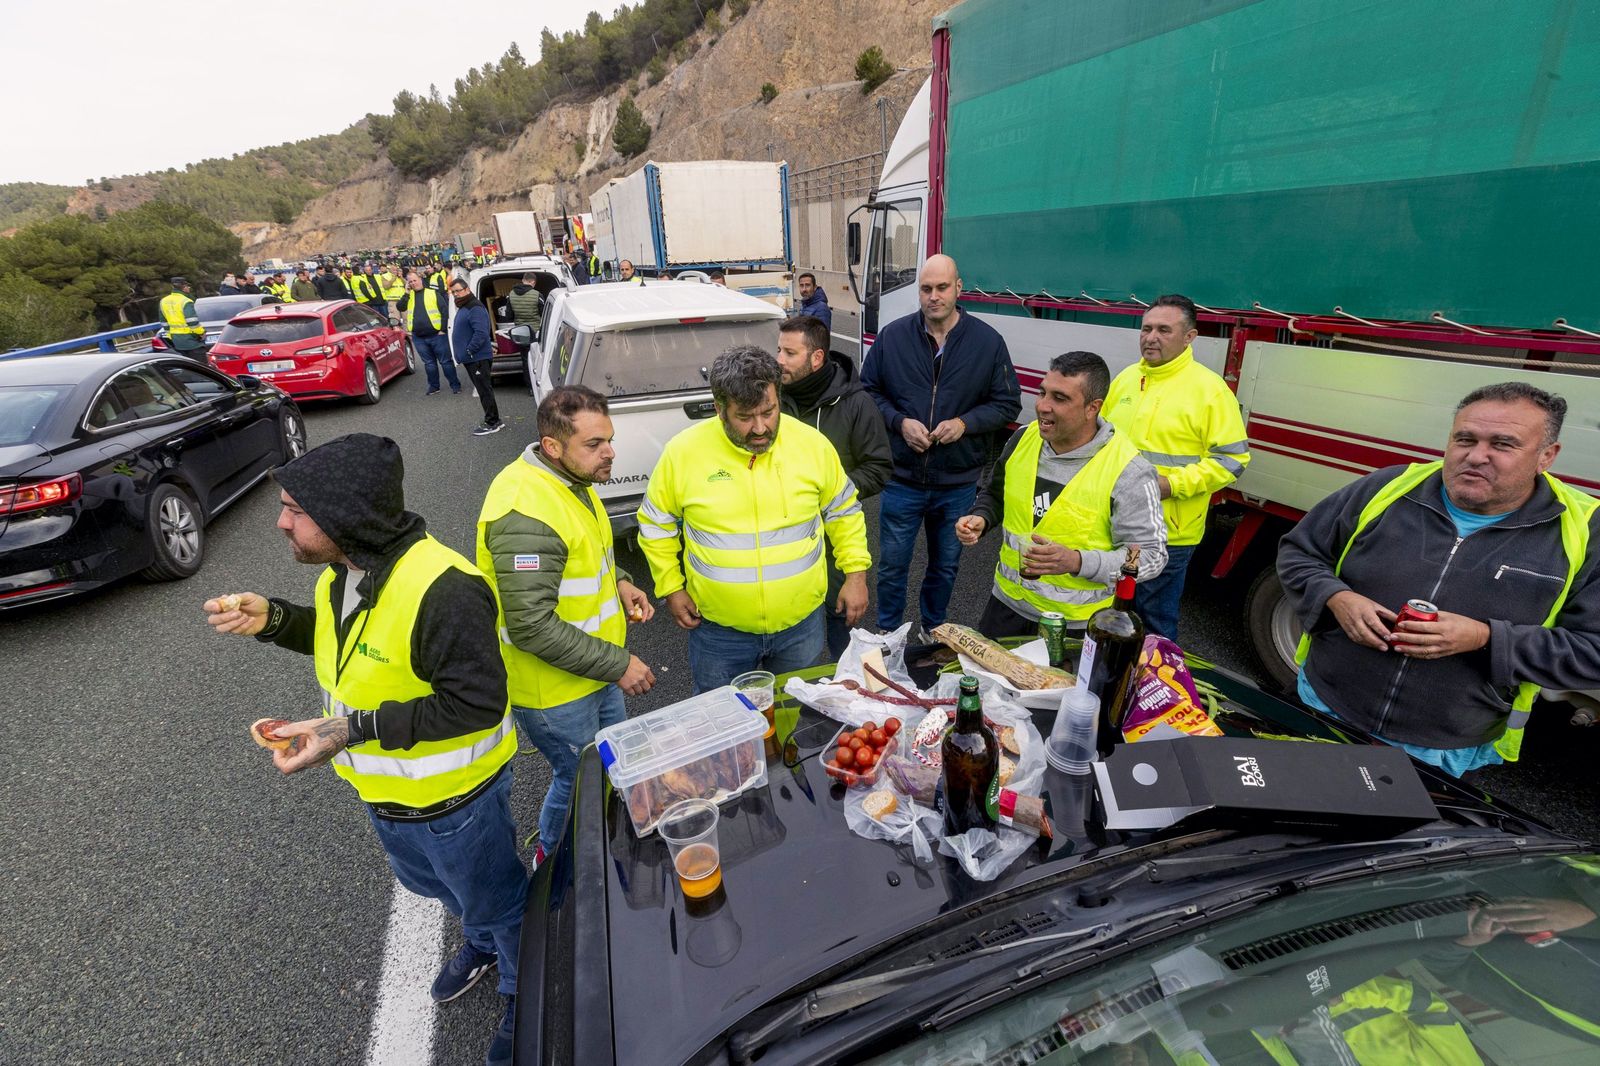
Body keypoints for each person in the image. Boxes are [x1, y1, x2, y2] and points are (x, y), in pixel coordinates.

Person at [200, 433, 525, 1066]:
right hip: (386, 794)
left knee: (499, 898)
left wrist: (347, 731)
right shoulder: (341, 573)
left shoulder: (447, 589)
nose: (281, 522)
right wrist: (273, 620)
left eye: (296, 510)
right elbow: (350, 644)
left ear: (346, 516)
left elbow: (477, 703)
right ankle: (482, 941)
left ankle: (519, 982)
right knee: (448, 893)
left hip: (457, 801)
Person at [1278, 381, 1600, 775]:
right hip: (1324, 702)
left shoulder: (1585, 530)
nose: (1476, 456)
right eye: (1465, 438)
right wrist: (1335, 596)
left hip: (1438, 748)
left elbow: (1592, 652)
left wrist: (1485, 639)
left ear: (1546, 455)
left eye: (1502, 444)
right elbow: (1299, 552)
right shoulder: (1389, 487)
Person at [476, 385, 657, 863]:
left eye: (610, 440)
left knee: (609, 765)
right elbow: (530, 626)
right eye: (595, 445)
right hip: (555, 692)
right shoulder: (526, 512)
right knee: (577, 778)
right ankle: (553, 860)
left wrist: (619, 579)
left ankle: (602, 840)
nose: (611, 453)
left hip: (592, 673)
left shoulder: (570, 481)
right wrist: (619, 665)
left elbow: (585, 552)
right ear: (552, 446)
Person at [637, 346, 871, 690]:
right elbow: (656, 524)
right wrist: (671, 588)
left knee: (793, 718)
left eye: (769, 411)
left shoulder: (813, 445)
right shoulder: (682, 453)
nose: (760, 427)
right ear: (719, 410)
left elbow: (844, 511)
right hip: (719, 633)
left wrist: (856, 575)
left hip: (800, 626)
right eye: (745, 417)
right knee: (723, 725)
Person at [860, 253, 1022, 639]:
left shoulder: (987, 342)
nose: (933, 296)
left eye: (942, 287)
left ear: (958, 288)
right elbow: (867, 392)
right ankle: (889, 635)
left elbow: (1007, 403)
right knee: (893, 565)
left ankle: (933, 629)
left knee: (946, 565)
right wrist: (900, 423)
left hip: (957, 482)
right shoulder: (893, 337)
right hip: (902, 478)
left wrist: (965, 424)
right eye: (926, 288)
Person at [956, 351, 1167, 638]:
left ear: (1093, 408)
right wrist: (981, 518)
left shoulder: (1129, 471)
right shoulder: (1022, 438)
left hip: (1075, 627)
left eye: (1060, 398)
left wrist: (1077, 562)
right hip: (1005, 607)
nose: (1042, 405)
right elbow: (995, 494)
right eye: (1043, 392)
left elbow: (1152, 557)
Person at [1103, 293, 1250, 640]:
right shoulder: (1126, 378)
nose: (1151, 337)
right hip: (1114, 521)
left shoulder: (1210, 391)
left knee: (1154, 623)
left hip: (1169, 532)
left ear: (1190, 337)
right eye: (1147, 328)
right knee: (1108, 617)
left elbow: (1233, 461)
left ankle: (1156, 690)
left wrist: (1172, 485)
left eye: (1164, 330)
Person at [775, 314, 892, 656]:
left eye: (789, 353)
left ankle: (849, 692)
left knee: (841, 625)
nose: (779, 360)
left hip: (836, 539)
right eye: (778, 350)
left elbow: (879, 467)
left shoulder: (856, 403)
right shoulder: (772, 401)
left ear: (816, 358)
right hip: (784, 542)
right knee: (793, 632)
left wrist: (829, 492)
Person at [450, 278, 503, 436]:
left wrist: (469, 351)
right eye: (453, 292)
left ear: (467, 289)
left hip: (477, 358)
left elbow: (481, 333)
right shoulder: (465, 305)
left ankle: (492, 422)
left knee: (484, 390)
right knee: (484, 389)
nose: (456, 294)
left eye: (458, 291)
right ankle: (495, 420)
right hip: (473, 358)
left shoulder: (475, 307)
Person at [398, 270, 460, 396]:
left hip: (437, 335)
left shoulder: (432, 293)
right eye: (410, 282)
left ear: (420, 280)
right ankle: (434, 386)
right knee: (429, 364)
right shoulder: (409, 296)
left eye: (415, 280)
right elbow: (400, 307)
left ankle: (455, 385)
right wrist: (406, 293)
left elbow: (444, 311)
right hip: (418, 337)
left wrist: (442, 330)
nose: (413, 283)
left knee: (445, 362)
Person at [158, 277, 206, 357]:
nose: (189, 288)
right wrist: (201, 333)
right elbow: (192, 322)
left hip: (177, 341)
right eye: (188, 286)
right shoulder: (186, 301)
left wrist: (171, 336)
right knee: (201, 367)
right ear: (184, 288)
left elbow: (164, 322)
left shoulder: (163, 301)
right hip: (191, 341)